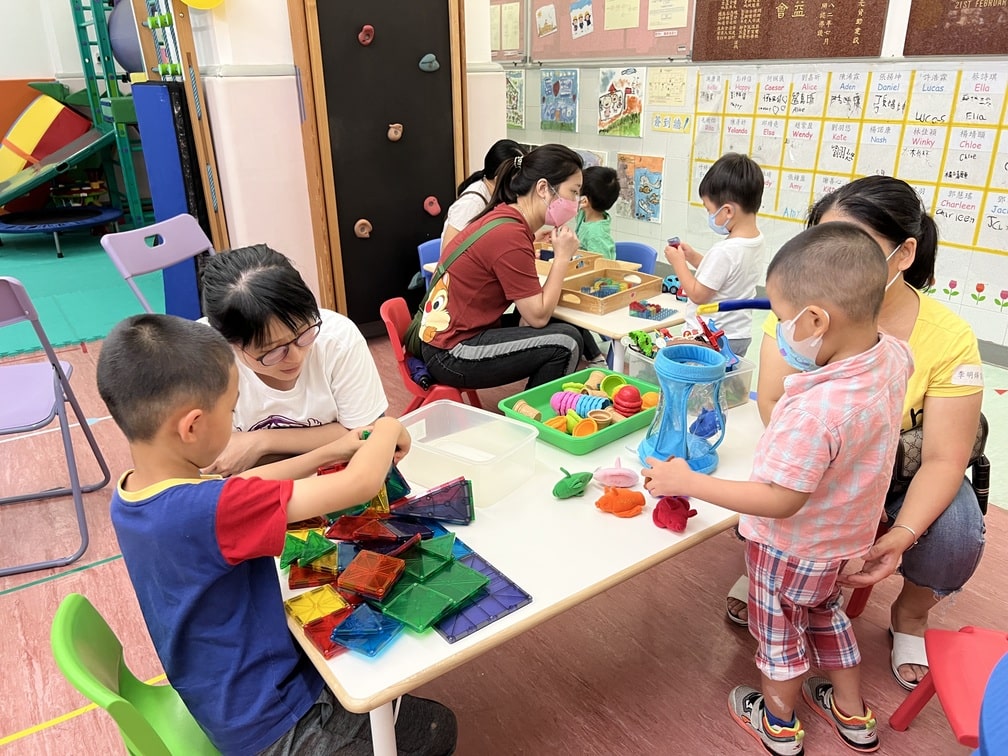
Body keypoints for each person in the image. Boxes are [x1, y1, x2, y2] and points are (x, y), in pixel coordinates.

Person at [95, 314, 456, 755]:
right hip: (274, 720)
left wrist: (331, 449)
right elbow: (358, 484)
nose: (234, 421)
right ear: (191, 427)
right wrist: (386, 426)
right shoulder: (208, 511)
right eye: (231, 411)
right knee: (436, 729)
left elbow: (243, 487)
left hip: (222, 699)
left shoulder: (135, 493)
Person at [644, 222, 914, 755]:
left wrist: (689, 481)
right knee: (826, 615)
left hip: (789, 548)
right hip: (843, 542)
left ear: (815, 321)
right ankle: (853, 714)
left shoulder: (815, 411)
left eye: (784, 319)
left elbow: (782, 500)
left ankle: (779, 722)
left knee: (780, 634)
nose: (782, 331)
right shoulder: (893, 358)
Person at [729, 175, 986, 692]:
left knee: (958, 529)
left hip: (896, 472)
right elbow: (773, 402)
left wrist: (900, 534)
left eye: (853, 245)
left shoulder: (945, 337)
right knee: (774, 480)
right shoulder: (802, 314)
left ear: (904, 253)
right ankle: (778, 575)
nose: (832, 259)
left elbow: (944, 457)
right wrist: (817, 472)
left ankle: (909, 616)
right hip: (824, 465)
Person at [419, 143, 602, 388]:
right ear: (543, 188)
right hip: (450, 352)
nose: (576, 202)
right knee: (566, 342)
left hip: (445, 337)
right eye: (573, 192)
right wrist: (562, 257)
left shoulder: (507, 218)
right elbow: (537, 316)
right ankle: (529, 412)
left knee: (564, 324)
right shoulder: (510, 235)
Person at [199, 244, 388, 476]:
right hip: (250, 488)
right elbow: (205, 458)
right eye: (273, 351)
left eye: (303, 334)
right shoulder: (201, 360)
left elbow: (364, 432)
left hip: (333, 477)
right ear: (227, 343)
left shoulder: (337, 339)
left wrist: (261, 442)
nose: (296, 357)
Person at [663, 152, 765, 357]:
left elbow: (698, 294)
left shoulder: (724, 251)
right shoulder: (756, 240)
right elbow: (725, 277)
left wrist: (678, 263)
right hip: (739, 335)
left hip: (710, 337)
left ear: (727, 211)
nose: (709, 216)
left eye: (710, 210)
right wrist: (692, 257)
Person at [441, 139, 526, 247]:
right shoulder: (472, 203)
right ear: (499, 179)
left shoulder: (494, 197)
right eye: (518, 179)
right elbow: (448, 252)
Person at [574, 165, 620, 260]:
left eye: (576, 191)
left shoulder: (596, 235)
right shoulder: (583, 214)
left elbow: (602, 266)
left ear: (584, 201)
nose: (573, 194)